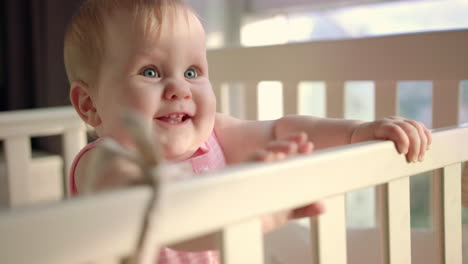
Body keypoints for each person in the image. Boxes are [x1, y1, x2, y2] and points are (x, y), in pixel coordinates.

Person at [64, 0, 431, 263]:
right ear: (89, 105)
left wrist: (356, 132)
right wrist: (248, 213)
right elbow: (162, 218)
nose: (180, 88)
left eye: (192, 72)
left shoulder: (215, 135)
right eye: (150, 72)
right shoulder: (105, 166)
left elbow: (281, 129)